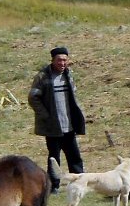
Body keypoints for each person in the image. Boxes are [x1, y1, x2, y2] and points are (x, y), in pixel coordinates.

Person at [29, 46, 87, 193]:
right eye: (59, 60)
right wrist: (45, 115)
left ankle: (79, 182)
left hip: (69, 125)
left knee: (74, 156)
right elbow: (33, 97)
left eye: (65, 60)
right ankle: (53, 185)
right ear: (53, 60)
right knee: (54, 158)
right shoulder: (43, 77)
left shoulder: (68, 75)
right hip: (53, 126)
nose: (62, 63)